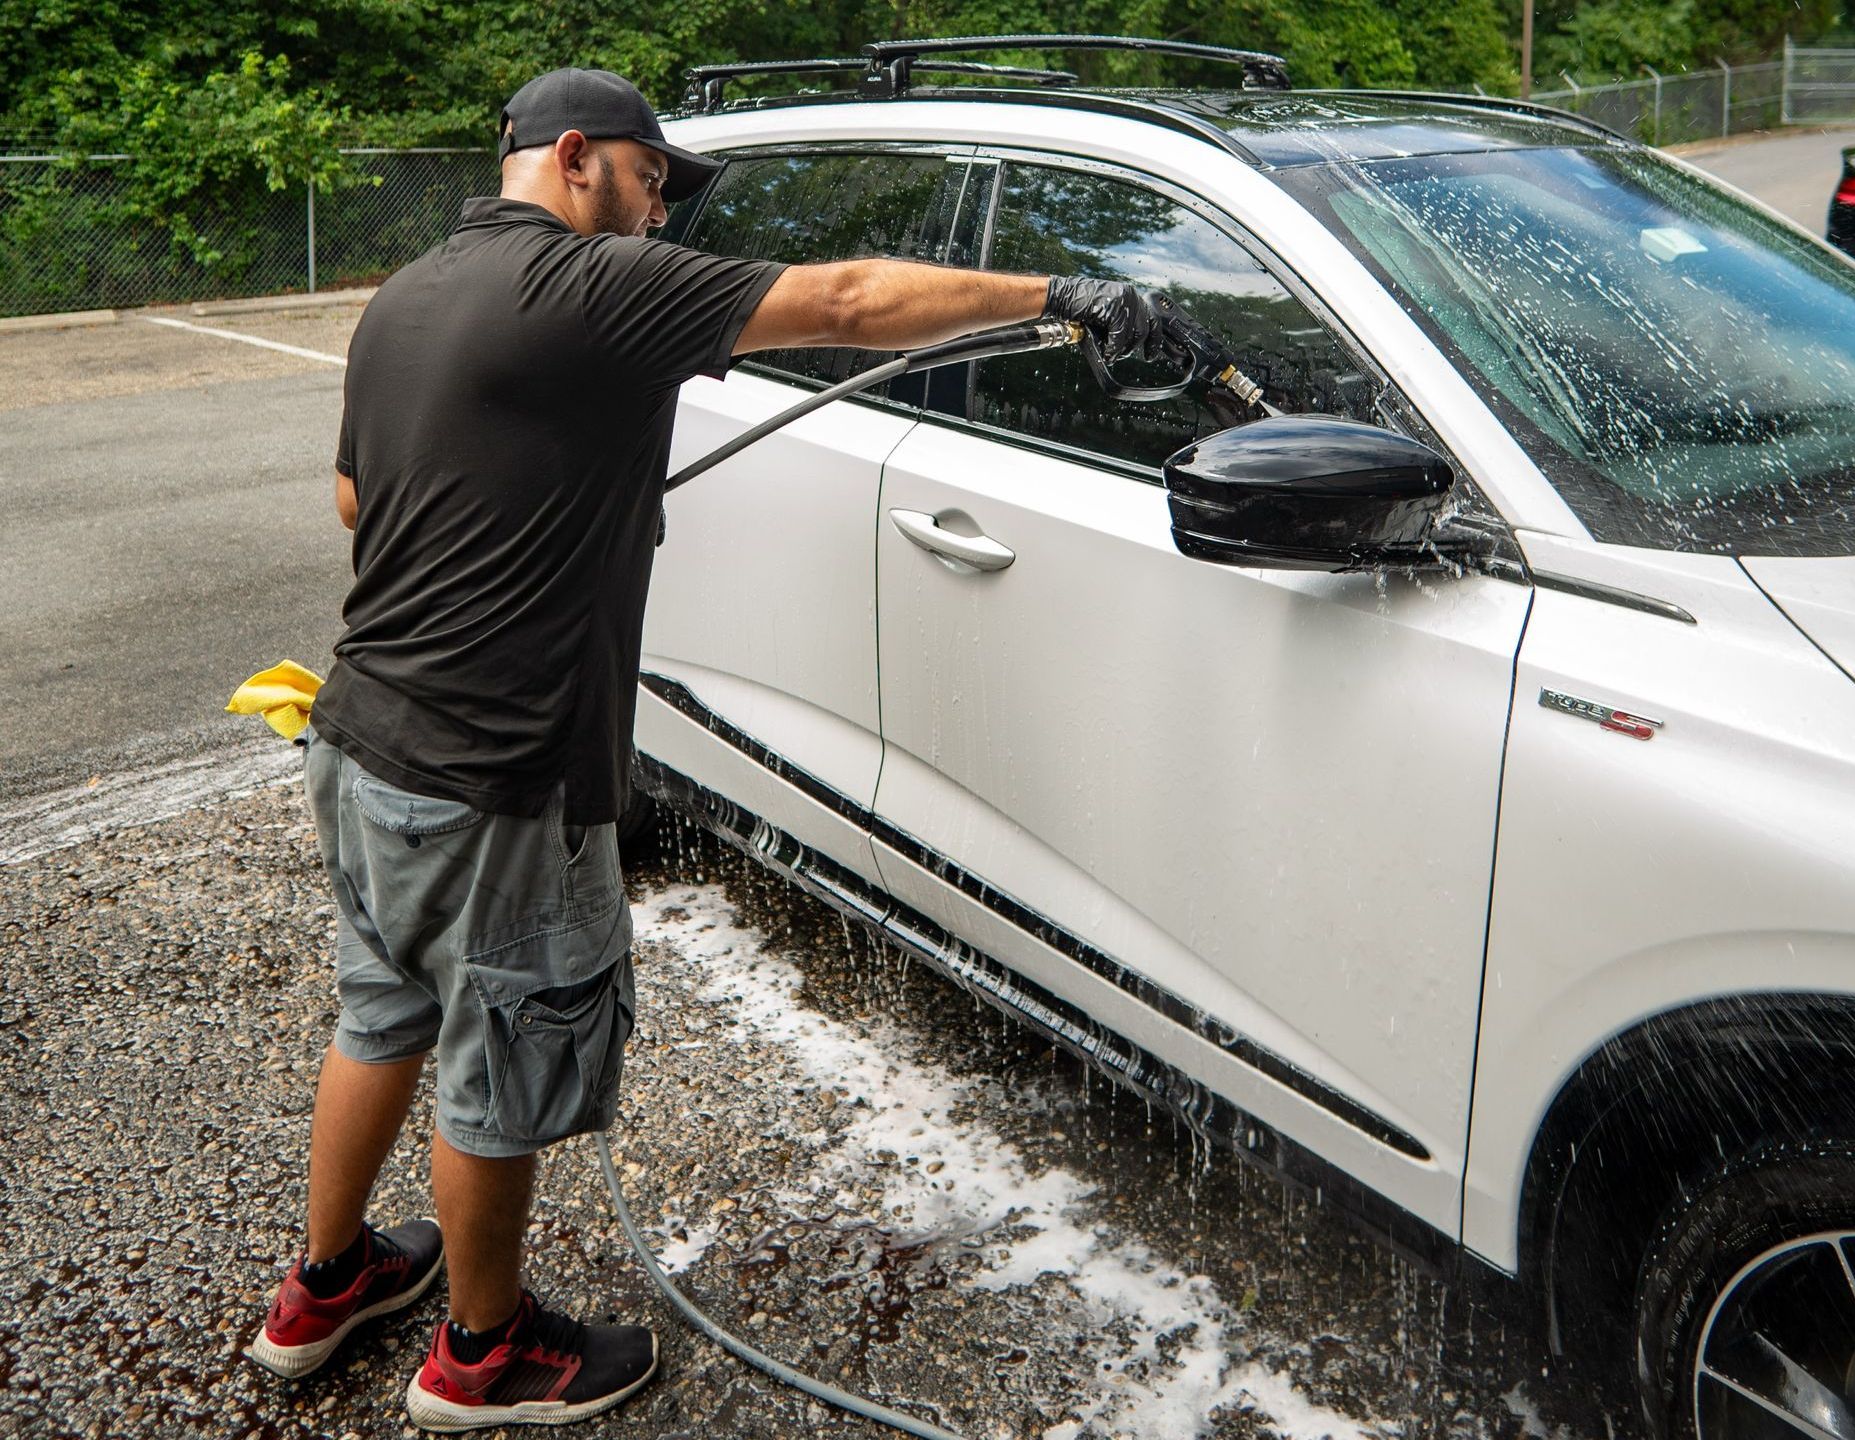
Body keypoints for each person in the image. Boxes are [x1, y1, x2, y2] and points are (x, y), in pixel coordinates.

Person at [243, 65, 1165, 1432]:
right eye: (653, 179)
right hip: (494, 773)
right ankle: (482, 1358)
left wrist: (541, 482)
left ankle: (323, 1290)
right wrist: (1060, 297)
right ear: (575, 158)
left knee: (383, 1006)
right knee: (497, 1051)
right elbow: (847, 304)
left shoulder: (408, 296)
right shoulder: (590, 286)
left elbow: (352, 497)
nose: (663, 211)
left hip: (361, 731)